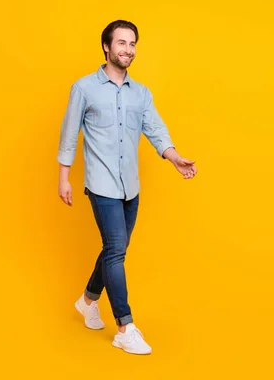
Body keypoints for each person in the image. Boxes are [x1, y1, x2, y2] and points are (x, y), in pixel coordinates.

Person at [56, 19, 198, 355]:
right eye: (121, 43)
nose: (127, 50)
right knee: (117, 250)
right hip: (101, 184)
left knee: (113, 250)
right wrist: (63, 179)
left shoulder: (141, 93)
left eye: (132, 44)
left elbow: (156, 130)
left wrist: (174, 157)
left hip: (130, 187)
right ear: (107, 47)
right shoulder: (84, 88)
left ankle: (88, 300)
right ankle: (125, 326)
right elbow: (68, 134)